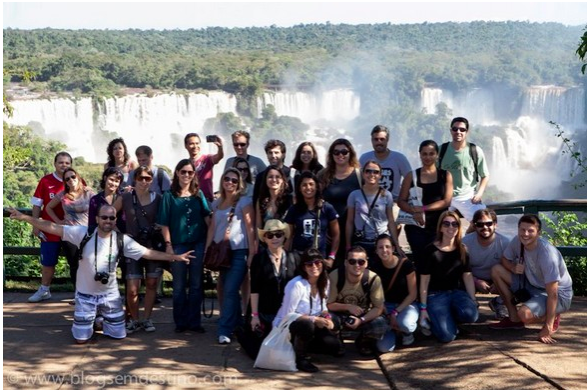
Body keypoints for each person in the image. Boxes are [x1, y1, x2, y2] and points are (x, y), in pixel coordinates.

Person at [7, 205, 194, 344]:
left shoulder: (122, 240)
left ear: (115, 220)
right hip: (86, 295)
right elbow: (51, 227)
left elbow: (147, 253)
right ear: (96, 219)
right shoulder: (83, 233)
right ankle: (92, 319)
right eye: (104, 217)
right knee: (81, 341)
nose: (108, 221)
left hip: (109, 296)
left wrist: (174, 257)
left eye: (112, 218)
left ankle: (98, 319)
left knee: (119, 336)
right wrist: (25, 217)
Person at [489, 214, 573, 344]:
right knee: (496, 270)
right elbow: (504, 259)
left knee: (525, 315)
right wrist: (512, 267)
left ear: (539, 233)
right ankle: (513, 319)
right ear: (518, 230)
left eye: (530, 231)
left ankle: (552, 315)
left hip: (559, 295)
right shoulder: (517, 241)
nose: (525, 234)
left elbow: (553, 294)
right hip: (531, 284)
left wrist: (548, 327)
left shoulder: (547, 254)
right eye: (522, 230)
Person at [158, 159, 211, 333]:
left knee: (196, 285)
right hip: (178, 244)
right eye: (183, 172)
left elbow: (207, 218)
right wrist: (168, 245)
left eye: (190, 172)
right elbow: (164, 223)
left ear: (194, 174)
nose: (186, 175)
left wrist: (215, 239)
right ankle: (180, 322)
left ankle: (194, 322)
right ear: (177, 173)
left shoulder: (198, 194)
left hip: (198, 243)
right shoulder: (169, 195)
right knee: (179, 286)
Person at [273, 249, 341, 373]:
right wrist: (314, 319)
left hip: (313, 324)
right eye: (309, 264)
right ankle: (300, 358)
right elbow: (288, 315)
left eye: (318, 263)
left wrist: (327, 318)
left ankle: (305, 346)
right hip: (289, 325)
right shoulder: (296, 285)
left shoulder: (325, 281)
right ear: (304, 267)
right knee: (307, 325)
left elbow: (323, 307)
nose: (314, 267)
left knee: (333, 343)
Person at [207, 168, 255, 345]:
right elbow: (212, 228)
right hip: (222, 253)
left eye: (234, 180)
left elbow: (250, 228)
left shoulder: (244, 202)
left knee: (229, 289)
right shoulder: (216, 203)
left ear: (239, 184)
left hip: (239, 251)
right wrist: (207, 251)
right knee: (230, 290)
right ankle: (238, 324)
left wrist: (252, 252)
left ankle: (224, 329)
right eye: (227, 179)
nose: (230, 183)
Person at [114, 166, 163, 334]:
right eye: (141, 178)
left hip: (151, 246)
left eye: (147, 178)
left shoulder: (158, 198)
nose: (144, 182)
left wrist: (157, 227)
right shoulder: (126, 197)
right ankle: (134, 319)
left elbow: (164, 220)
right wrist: (120, 235)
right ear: (134, 179)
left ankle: (147, 319)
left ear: (152, 180)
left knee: (151, 283)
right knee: (132, 287)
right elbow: (109, 213)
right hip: (131, 246)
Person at [419, 211, 479, 343]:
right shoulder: (430, 251)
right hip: (435, 295)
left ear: (458, 228)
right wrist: (423, 308)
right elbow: (424, 281)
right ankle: (435, 321)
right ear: (440, 227)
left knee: (472, 315)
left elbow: (467, 276)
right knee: (447, 337)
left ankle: (449, 318)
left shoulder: (463, 249)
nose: (451, 227)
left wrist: (473, 300)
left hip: (456, 292)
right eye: (446, 224)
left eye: (454, 224)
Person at [398, 140, 453, 270]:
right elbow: (401, 201)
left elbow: (447, 201)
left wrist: (423, 209)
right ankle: (421, 289)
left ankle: (437, 289)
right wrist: (414, 211)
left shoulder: (445, 175)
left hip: (439, 227)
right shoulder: (411, 176)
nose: (428, 157)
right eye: (424, 154)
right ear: (420, 155)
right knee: (420, 261)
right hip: (416, 227)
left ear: (437, 155)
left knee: (438, 260)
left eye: (431, 154)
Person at [246, 219, 297, 358]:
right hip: (264, 311)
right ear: (265, 239)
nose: (274, 238)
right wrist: (254, 316)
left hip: (286, 312)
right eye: (270, 235)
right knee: (258, 352)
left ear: (284, 236)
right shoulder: (259, 259)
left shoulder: (294, 257)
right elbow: (254, 289)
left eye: (278, 234)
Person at [27, 152, 72, 303]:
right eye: (61, 162)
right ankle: (44, 290)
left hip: (71, 229)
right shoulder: (46, 181)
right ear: (55, 164)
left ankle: (81, 293)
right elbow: (37, 204)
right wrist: (35, 224)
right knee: (48, 261)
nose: (64, 165)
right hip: (49, 228)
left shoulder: (75, 180)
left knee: (76, 262)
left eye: (67, 163)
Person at [327, 246, 387, 356]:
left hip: (363, 316)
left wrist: (362, 320)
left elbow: (378, 308)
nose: (357, 265)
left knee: (380, 324)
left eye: (361, 262)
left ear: (366, 263)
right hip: (340, 315)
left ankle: (363, 342)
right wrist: (348, 307)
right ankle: (337, 340)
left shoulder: (373, 279)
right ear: (345, 263)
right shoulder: (335, 276)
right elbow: (328, 305)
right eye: (352, 261)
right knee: (327, 318)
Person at [46, 167, 95, 288]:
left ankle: (91, 291)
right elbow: (48, 208)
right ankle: (78, 293)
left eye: (73, 177)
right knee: (74, 264)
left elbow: (99, 207)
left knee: (89, 263)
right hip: (69, 233)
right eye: (67, 178)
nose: (70, 180)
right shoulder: (63, 195)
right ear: (65, 182)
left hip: (87, 233)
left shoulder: (88, 192)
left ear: (78, 177)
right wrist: (58, 222)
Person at [346, 160, 402, 264]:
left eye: (376, 172)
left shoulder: (387, 195)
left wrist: (396, 245)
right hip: (361, 240)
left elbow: (390, 220)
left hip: (381, 241)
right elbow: (349, 221)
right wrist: (348, 245)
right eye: (368, 171)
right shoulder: (354, 195)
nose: (372, 174)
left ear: (380, 175)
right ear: (363, 173)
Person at [370, 234, 418, 352]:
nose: (384, 250)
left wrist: (395, 312)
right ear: (376, 250)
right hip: (385, 307)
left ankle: (406, 333)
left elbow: (413, 294)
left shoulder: (405, 265)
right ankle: (394, 331)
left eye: (387, 246)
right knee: (384, 348)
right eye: (380, 247)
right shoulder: (375, 267)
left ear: (393, 249)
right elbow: (375, 297)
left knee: (406, 324)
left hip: (406, 305)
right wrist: (387, 313)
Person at [317, 138, 361, 267]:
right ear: (331, 155)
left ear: (350, 153)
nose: (340, 155)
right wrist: (322, 229)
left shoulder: (359, 175)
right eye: (336, 152)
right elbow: (316, 202)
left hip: (353, 231)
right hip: (329, 232)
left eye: (344, 152)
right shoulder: (323, 175)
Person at [438, 117, 489, 225]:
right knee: (437, 228)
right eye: (455, 129)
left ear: (467, 131)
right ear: (450, 130)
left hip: (466, 197)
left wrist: (479, 193)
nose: (458, 132)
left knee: (482, 222)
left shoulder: (475, 151)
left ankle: (464, 241)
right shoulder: (441, 150)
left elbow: (485, 175)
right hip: (444, 196)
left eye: (462, 129)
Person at [462, 208, 511, 319]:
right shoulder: (465, 243)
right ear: (474, 226)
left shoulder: (505, 242)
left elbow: (510, 268)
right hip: (471, 279)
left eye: (489, 223)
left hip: (496, 279)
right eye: (480, 224)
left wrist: (498, 283)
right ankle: (470, 303)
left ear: (495, 225)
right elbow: (459, 269)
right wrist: (476, 281)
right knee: (466, 313)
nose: (485, 227)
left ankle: (499, 302)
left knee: (518, 280)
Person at [285, 171, 340, 269]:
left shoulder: (327, 208)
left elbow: (336, 235)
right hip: (298, 258)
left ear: (317, 187)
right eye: (304, 185)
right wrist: (285, 258)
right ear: (300, 188)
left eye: (311, 184)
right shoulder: (294, 209)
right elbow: (288, 236)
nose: (308, 188)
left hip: (319, 259)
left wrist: (331, 257)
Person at [359, 125, 412, 202]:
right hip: (369, 201)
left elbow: (410, 180)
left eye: (382, 139)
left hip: (394, 202)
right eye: (376, 139)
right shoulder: (364, 158)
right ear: (371, 140)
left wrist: (403, 199)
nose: (379, 142)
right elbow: (359, 181)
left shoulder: (399, 158)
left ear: (387, 140)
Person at [184, 132, 224, 203]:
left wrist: (220, 147)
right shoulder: (185, 164)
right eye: (191, 144)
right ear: (186, 146)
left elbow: (219, 156)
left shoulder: (207, 159)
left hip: (206, 200)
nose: (195, 146)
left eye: (197, 143)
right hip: (190, 200)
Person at [253, 139, 293, 204]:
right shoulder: (261, 176)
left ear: (283, 155)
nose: (273, 156)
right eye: (270, 153)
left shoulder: (290, 173)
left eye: (276, 153)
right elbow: (256, 199)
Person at [255, 165, 293, 230]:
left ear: (282, 180)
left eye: (277, 177)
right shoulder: (261, 201)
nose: (274, 180)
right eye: (270, 177)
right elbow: (258, 226)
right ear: (265, 180)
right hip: (267, 238)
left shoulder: (290, 200)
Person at [88, 167, 125, 232]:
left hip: (121, 236)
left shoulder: (123, 198)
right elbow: (92, 224)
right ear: (105, 178)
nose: (113, 183)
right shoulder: (95, 200)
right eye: (111, 179)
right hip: (101, 236)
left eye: (117, 181)